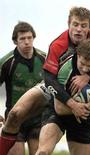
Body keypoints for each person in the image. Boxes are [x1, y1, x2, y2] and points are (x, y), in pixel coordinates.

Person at [0, 6, 90, 155]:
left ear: (89, 28)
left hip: (81, 89)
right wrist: (71, 103)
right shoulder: (58, 44)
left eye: (83, 26)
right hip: (55, 85)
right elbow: (49, 79)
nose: (79, 29)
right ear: (68, 23)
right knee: (15, 113)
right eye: (75, 24)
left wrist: (88, 77)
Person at [0, 22, 46, 155]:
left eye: (29, 38)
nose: (27, 42)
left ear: (33, 38)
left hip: (38, 118)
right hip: (15, 118)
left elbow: (54, 85)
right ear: (15, 41)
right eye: (22, 39)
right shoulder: (6, 62)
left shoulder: (45, 58)